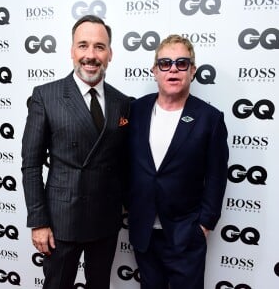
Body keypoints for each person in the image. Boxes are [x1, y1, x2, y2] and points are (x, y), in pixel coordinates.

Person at [21, 14, 131, 289]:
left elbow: (124, 162)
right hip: (61, 223)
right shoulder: (46, 96)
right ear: (71, 51)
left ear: (110, 54)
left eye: (99, 46)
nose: (91, 55)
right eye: (83, 45)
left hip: (105, 221)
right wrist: (38, 222)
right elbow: (32, 164)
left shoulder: (123, 103)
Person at [128, 34, 229, 289]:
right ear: (155, 70)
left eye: (182, 63)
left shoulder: (209, 118)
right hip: (144, 234)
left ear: (192, 70)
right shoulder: (135, 111)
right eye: (165, 63)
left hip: (186, 235)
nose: (173, 69)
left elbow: (216, 176)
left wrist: (204, 224)